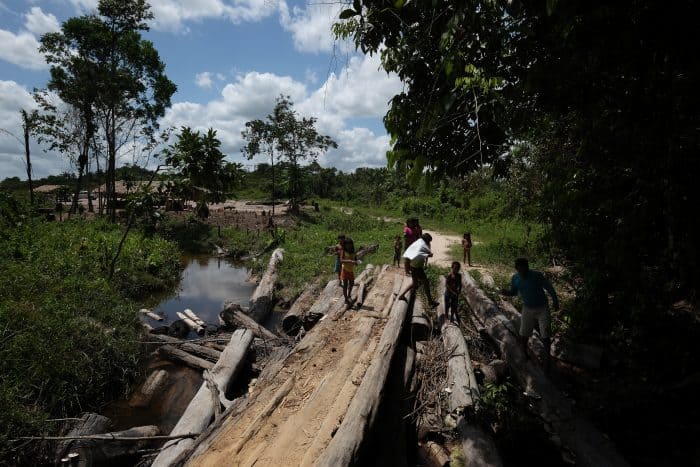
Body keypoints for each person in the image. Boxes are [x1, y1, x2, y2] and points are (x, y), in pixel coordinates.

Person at [500, 258, 559, 362]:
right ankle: (524, 353)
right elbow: (514, 292)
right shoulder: (515, 278)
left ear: (528, 267)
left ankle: (547, 358)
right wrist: (507, 292)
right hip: (527, 308)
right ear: (516, 268)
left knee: (545, 334)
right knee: (524, 333)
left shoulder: (537, 275)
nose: (523, 271)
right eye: (520, 268)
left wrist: (555, 300)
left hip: (542, 308)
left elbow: (549, 287)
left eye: (525, 268)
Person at [397, 233, 439, 307]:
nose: (429, 243)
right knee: (426, 283)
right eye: (429, 241)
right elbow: (429, 254)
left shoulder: (418, 243)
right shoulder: (422, 245)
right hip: (417, 268)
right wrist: (429, 254)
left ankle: (402, 295)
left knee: (415, 283)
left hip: (414, 266)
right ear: (427, 240)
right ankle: (430, 301)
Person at [340, 238, 359, 305]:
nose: (349, 246)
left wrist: (356, 262)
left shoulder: (353, 251)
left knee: (351, 283)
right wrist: (350, 261)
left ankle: (349, 295)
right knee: (345, 285)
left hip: (351, 271)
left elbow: (355, 258)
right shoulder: (343, 251)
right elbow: (341, 260)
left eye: (350, 245)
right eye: (347, 245)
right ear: (345, 245)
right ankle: (346, 299)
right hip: (345, 270)